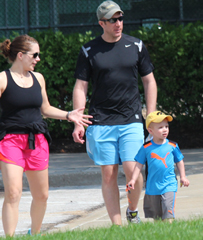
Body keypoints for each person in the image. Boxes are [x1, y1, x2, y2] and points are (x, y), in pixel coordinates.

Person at [72, 0, 158, 225]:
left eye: (120, 18)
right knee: (108, 174)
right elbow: (81, 87)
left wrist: (151, 115)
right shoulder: (89, 50)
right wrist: (78, 121)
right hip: (101, 121)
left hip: (131, 119)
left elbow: (149, 82)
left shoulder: (136, 45)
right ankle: (116, 226)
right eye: (112, 20)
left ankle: (132, 211)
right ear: (102, 23)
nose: (118, 23)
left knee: (134, 171)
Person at [0, 35, 92, 236]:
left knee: (42, 195)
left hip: (37, 141)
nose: (38, 59)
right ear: (21, 55)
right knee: (13, 193)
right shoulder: (2, 79)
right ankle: (9, 237)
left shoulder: (38, 78)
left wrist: (69, 115)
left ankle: (35, 233)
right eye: (35, 55)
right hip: (11, 141)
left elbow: (45, 108)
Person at [126, 111, 189, 223]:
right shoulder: (146, 148)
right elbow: (138, 165)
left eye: (166, 126)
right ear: (150, 131)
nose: (165, 129)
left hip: (169, 184)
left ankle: (170, 232)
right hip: (152, 187)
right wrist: (133, 179)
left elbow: (179, 161)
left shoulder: (172, 146)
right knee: (157, 218)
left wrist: (183, 177)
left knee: (168, 213)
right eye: (160, 127)